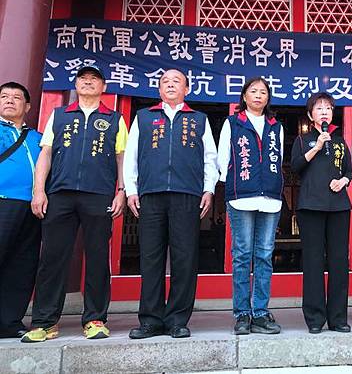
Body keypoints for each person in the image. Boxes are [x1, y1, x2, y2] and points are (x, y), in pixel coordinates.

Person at [23, 66, 128, 343]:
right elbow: (45, 154)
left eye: (94, 79)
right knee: (52, 258)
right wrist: (39, 191)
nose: (88, 83)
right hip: (60, 193)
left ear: (103, 86)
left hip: (99, 195)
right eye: (83, 79)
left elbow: (121, 159)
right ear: (76, 84)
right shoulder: (58, 116)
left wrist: (121, 191)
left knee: (96, 258)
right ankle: (44, 322)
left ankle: (95, 319)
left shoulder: (115, 119)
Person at [125, 69, 218, 339]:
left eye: (176, 81)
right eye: (165, 81)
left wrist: (208, 189)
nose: (170, 85)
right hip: (151, 194)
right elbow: (132, 155)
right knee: (150, 258)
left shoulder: (199, 119)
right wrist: (131, 189)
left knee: (184, 258)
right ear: (159, 89)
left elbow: (209, 158)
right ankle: (151, 320)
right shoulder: (144, 117)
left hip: (187, 195)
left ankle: (178, 319)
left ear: (186, 88)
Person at [217, 77, 284, 335]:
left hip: (269, 198)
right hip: (241, 196)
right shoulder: (232, 123)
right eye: (253, 91)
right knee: (242, 255)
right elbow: (224, 157)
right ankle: (242, 313)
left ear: (268, 98)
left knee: (265, 255)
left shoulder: (275, 125)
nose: (258, 95)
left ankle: (261, 312)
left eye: (263, 92)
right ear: (244, 96)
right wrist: (234, 181)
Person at [291, 92, 352, 334]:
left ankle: (338, 318)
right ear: (311, 115)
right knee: (314, 262)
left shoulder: (339, 141)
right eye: (319, 108)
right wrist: (317, 147)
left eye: (328, 107)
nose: (325, 111)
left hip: (338, 206)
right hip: (311, 207)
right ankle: (315, 318)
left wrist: (344, 181)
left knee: (339, 262)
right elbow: (296, 166)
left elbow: (349, 170)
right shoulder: (303, 140)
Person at [0, 82, 42, 338]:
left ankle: (10, 321)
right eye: (4, 96)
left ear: (27, 106)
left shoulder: (37, 138)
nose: (10, 101)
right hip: (2, 201)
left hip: (31, 206)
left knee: (22, 264)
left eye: (17, 98)